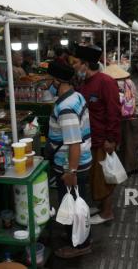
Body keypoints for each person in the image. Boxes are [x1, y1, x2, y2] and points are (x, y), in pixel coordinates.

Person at [46, 62, 93, 258]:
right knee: (77, 202)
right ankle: (77, 238)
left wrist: (70, 172)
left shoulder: (65, 107)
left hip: (71, 164)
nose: (47, 83)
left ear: (56, 81)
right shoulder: (76, 95)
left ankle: (80, 245)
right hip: (78, 161)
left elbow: (73, 142)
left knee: (73, 205)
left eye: (49, 79)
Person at [74, 45, 122, 225]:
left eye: (77, 63)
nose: (74, 66)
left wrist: (112, 139)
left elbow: (114, 112)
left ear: (85, 64)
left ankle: (108, 212)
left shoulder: (106, 82)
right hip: (89, 139)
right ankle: (102, 207)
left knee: (104, 177)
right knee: (95, 176)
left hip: (103, 139)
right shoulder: (84, 83)